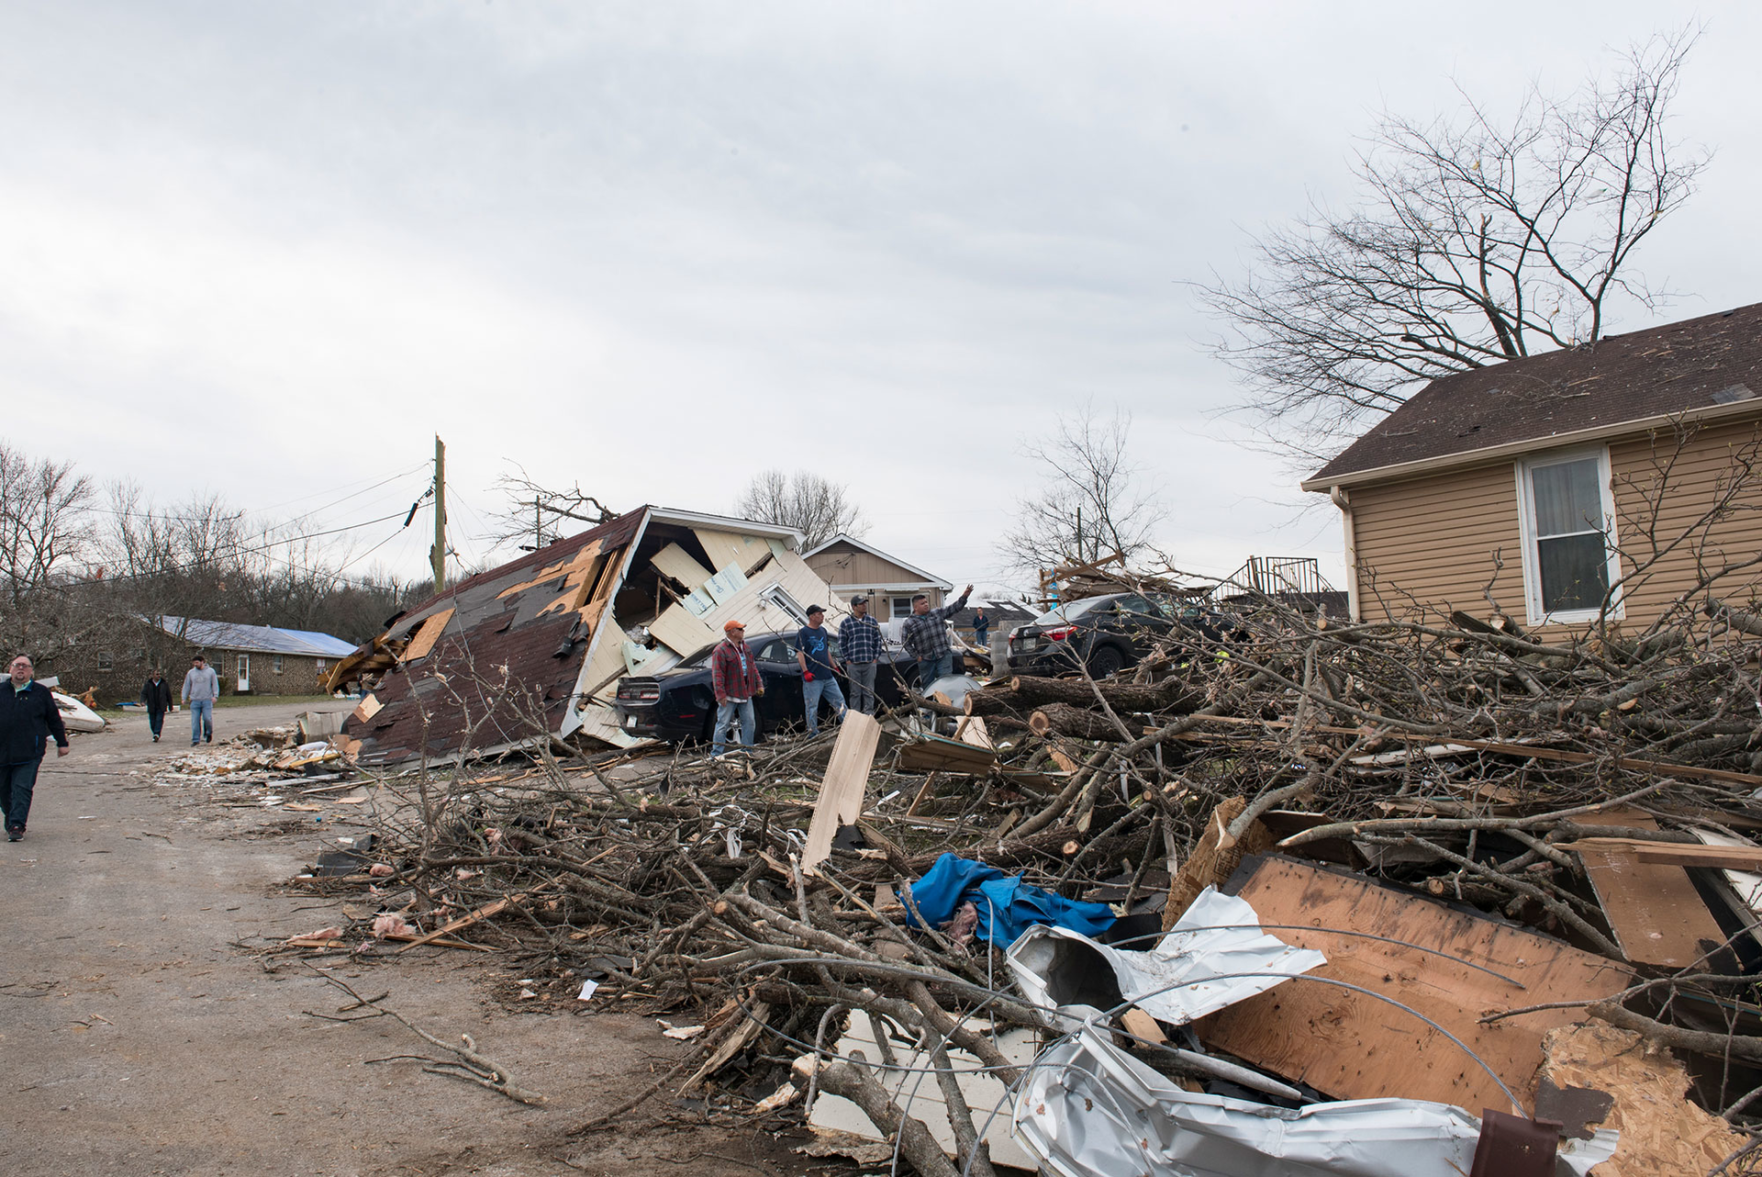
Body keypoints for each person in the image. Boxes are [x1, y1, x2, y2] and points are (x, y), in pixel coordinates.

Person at [1, 654, 70, 842]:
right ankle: (11, 819)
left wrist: (62, 743)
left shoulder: (40, 693)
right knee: (4, 790)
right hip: (2, 752)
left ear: (31, 671)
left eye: (25, 666)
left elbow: (53, 719)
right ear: (10, 669)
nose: (21, 669)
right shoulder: (1, 690)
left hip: (30, 752)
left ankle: (17, 825)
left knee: (22, 787)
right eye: (17, 665)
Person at [900, 585, 973, 689]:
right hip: (925, 659)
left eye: (926, 602)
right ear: (915, 607)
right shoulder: (910, 623)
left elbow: (954, 608)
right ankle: (929, 704)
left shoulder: (937, 613)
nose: (926, 605)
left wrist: (964, 596)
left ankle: (946, 704)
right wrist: (916, 656)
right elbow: (905, 642)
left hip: (943, 654)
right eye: (922, 603)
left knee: (946, 682)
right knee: (928, 686)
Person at [709, 620, 764, 757]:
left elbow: (752, 668)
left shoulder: (745, 647)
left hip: (745, 692)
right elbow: (717, 674)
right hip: (729, 694)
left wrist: (759, 684)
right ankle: (716, 755)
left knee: (749, 722)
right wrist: (720, 695)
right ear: (732, 631)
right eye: (740, 629)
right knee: (722, 724)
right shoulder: (720, 650)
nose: (743, 631)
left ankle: (747, 751)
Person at [796, 605, 846, 737]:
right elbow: (800, 653)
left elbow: (826, 650)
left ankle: (847, 726)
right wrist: (805, 671)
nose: (822, 616)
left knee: (839, 701)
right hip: (813, 678)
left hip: (827, 676)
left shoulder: (823, 631)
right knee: (812, 706)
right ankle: (812, 732)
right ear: (812, 616)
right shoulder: (804, 632)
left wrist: (834, 666)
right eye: (819, 613)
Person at [839, 596, 884, 716]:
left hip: (869, 663)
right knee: (855, 693)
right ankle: (855, 716)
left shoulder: (872, 621)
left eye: (865, 603)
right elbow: (842, 643)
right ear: (854, 607)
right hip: (853, 664)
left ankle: (869, 715)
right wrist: (847, 660)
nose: (864, 605)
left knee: (869, 691)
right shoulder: (846, 623)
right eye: (861, 604)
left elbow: (877, 641)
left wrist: (875, 658)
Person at [182, 654, 220, 746]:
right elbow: (186, 685)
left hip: (207, 699)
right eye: (194, 663)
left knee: (207, 718)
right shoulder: (191, 673)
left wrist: (215, 696)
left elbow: (214, 684)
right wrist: (184, 697)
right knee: (195, 721)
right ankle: (195, 739)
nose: (195, 664)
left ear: (202, 662)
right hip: (195, 700)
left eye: (197, 662)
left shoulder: (210, 672)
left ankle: (208, 733)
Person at [141, 668, 173, 743]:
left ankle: (156, 734)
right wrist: (142, 701)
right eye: (157, 674)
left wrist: (170, 706)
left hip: (161, 705)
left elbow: (168, 695)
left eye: (160, 674)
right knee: (152, 722)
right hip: (151, 705)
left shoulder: (164, 684)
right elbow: (143, 693)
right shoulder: (148, 684)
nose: (159, 676)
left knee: (159, 720)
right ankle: (155, 732)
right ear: (153, 675)